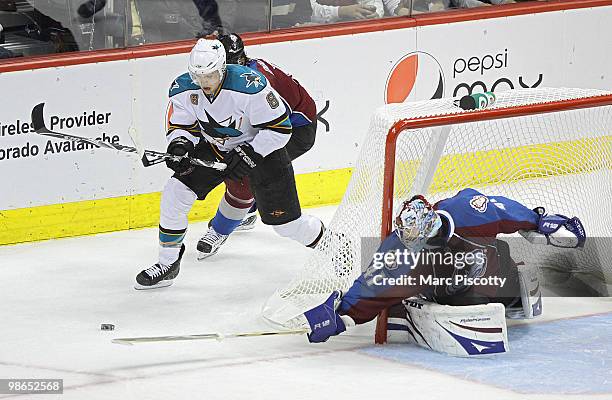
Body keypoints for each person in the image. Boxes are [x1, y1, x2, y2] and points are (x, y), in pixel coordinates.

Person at [134, 38, 324, 290]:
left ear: (223, 68)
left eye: (211, 76)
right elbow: (182, 126)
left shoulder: (251, 85)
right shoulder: (182, 87)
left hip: (264, 152)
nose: (205, 83)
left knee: (287, 225)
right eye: (199, 76)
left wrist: (250, 154)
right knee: (175, 192)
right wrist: (181, 145)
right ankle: (168, 263)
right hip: (216, 145)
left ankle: (333, 246)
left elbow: (280, 129)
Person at [301, 188, 586, 344]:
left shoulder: (470, 211)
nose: (411, 243)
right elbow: (377, 277)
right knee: (410, 280)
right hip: (447, 288)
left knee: (495, 254)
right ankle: (407, 310)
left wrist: (541, 221)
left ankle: (506, 293)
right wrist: (343, 314)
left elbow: (504, 209)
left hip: (489, 269)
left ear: (434, 225)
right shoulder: (402, 243)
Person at [195, 32, 318, 258]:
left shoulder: (255, 81)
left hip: (296, 129)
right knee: (239, 163)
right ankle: (249, 210)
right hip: (276, 126)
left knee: (244, 171)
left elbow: (276, 127)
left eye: (236, 61)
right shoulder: (233, 75)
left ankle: (220, 230)